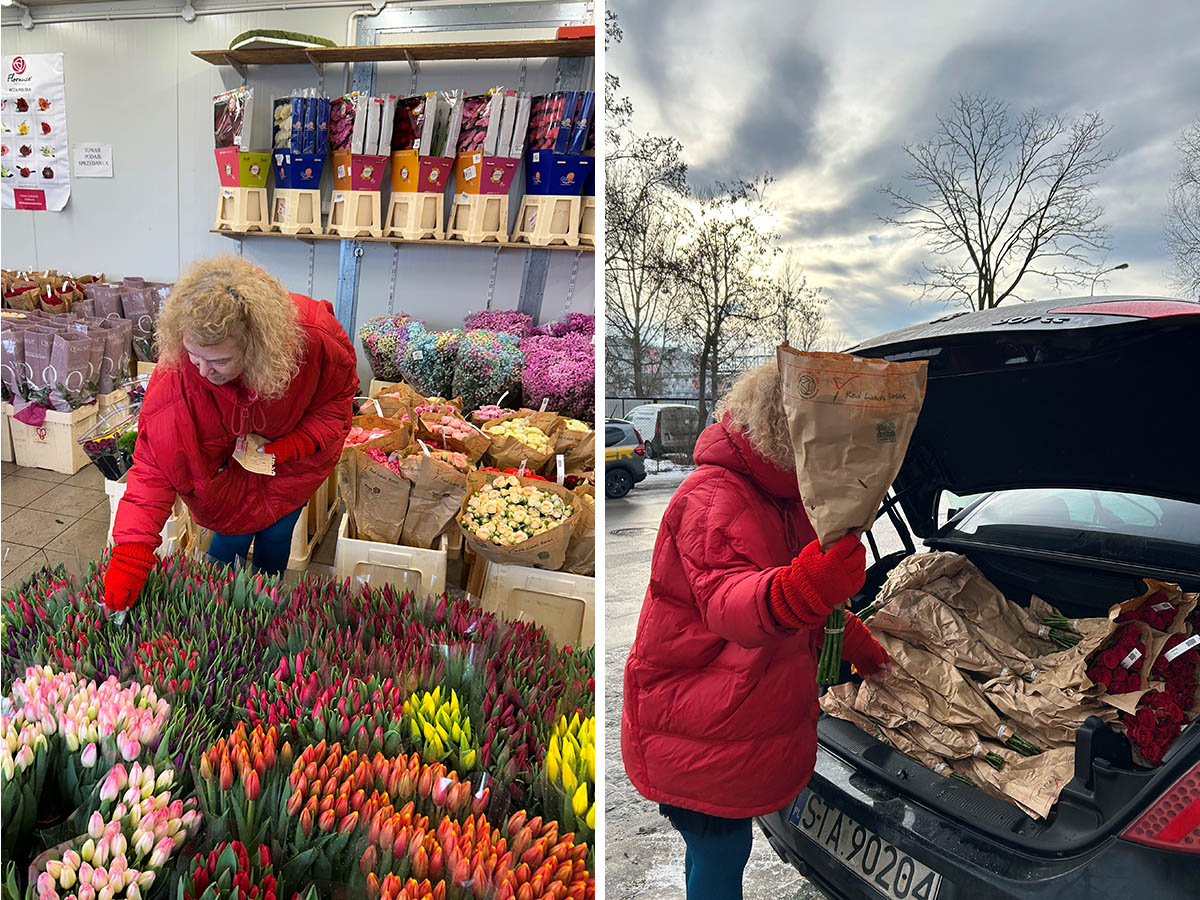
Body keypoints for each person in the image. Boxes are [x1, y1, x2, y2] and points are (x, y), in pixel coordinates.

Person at [621, 362, 890, 900]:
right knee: (720, 857)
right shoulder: (715, 498)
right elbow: (733, 603)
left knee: (716, 855)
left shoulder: (783, 500)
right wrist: (808, 583)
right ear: (786, 432)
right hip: (697, 730)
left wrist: (859, 646)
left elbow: (805, 612)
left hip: (728, 726)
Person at [103, 256, 358, 610]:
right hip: (223, 477)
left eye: (220, 361)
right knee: (229, 541)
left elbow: (337, 403)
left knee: (277, 535)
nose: (205, 372)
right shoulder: (178, 372)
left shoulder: (313, 339)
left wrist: (297, 444)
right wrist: (131, 551)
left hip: (287, 467)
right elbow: (155, 463)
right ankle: (215, 613)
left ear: (257, 346)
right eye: (195, 356)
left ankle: (266, 608)